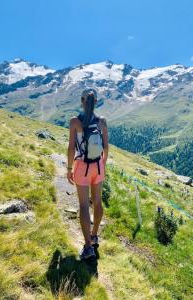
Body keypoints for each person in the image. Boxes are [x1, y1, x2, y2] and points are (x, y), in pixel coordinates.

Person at [67, 88, 109, 260]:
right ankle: (94, 234)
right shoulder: (102, 121)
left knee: (84, 206)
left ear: (82, 101)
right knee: (97, 201)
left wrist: (69, 169)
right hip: (98, 165)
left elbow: (71, 147)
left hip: (82, 166)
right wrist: (102, 165)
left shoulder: (75, 121)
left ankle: (88, 247)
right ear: (96, 102)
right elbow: (106, 147)